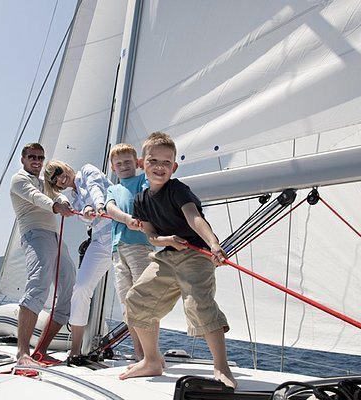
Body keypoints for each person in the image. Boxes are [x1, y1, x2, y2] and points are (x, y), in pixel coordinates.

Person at [119, 132, 237, 388]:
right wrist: (167, 240)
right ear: (142, 164)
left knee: (199, 303)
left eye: (166, 162)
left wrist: (214, 244)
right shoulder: (140, 200)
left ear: (174, 167)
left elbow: (194, 217)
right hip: (166, 256)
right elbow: (151, 236)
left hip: (195, 254)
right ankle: (151, 360)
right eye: (153, 161)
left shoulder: (178, 190)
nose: (159, 167)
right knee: (136, 299)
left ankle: (222, 366)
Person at [10, 143, 76, 366]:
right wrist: (57, 207)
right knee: (39, 284)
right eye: (32, 157)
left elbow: (57, 195)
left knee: (68, 288)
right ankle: (22, 353)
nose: (37, 161)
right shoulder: (19, 180)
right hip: (35, 235)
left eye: (40, 157)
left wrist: (64, 202)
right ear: (23, 159)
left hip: (56, 239)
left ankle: (40, 351)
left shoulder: (44, 183)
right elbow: (38, 198)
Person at [44, 160, 113, 359]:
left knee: (130, 292)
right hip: (100, 241)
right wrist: (87, 213)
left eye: (58, 171)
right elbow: (84, 217)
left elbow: (95, 188)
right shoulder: (73, 198)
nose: (60, 178)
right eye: (55, 180)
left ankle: (143, 354)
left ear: (65, 166)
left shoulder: (87, 170)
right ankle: (76, 351)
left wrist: (96, 205)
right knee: (80, 289)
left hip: (119, 235)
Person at [104, 143, 156, 361]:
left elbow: (153, 190)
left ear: (137, 163)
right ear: (113, 168)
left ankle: (151, 354)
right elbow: (110, 208)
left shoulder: (142, 181)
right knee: (126, 303)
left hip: (140, 247)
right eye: (119, 163)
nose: (124, 166)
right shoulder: (112, 189)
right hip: (118, 250)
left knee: (142, 300)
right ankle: (139, 352)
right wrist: (126, 219)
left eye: (128, 162)